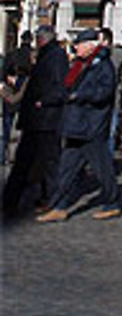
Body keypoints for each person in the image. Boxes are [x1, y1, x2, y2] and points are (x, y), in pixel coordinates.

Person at [38, 29, 122, 222]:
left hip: (90, 126)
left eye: (78, 44)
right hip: (77, 125)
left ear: (90, 46)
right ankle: (60, 206)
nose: (75, 47)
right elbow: (66, 88)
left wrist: (80, 96)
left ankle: (114, 201)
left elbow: (105, 92)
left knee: (102, 169)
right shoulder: (79, 64)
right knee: (66, 169)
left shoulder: (103, 65)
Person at [2, 24, 68, 219]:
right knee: (28, 162)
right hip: (38, 119)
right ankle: (11, 201)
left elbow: (59, 87)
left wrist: (43, 101)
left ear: (41, 40)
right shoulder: (49, 55)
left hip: (46, 119)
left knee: (47, 164)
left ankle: (51, 200)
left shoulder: (55, 56)